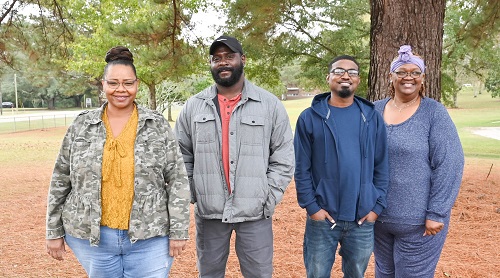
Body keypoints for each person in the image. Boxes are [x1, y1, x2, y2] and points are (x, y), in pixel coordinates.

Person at [45, 46, 191, 277]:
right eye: (113, 83)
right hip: (93, 239)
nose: (120, 89)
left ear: (137, 85)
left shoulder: (157, 125)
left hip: (150, 236)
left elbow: (177, 179)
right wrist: (53, 231)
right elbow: (61, 177)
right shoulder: (82, 125)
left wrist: (179, 230)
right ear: (103, 85)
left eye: (127, 83)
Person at [175, 35, 294, 278]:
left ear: (243, 59)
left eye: (229, 56)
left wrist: (267, 197)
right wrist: (195, 192)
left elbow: (283, 157)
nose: (223, 62)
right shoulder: (193, 106)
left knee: (259, 274)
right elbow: (180, 155)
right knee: (209, 274)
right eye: (216, 58)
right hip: (210, 212)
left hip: (255, 212)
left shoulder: (269, 105)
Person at [372, 45, 464, 278]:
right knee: (384, 274)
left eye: (415, 72)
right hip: (377, 220)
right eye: (402, 72)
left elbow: (449, 164)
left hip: (419, 223)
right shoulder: (374, 111)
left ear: (423, 79)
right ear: (390, 77)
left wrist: (437, 212)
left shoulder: (434, 113)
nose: (408, 77)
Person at [294, 55, 389, 278]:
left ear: (358, 80)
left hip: (362, 219)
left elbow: (382, 166)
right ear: (328, 78)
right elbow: (301, 168)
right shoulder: (310, 118)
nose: (345, 75)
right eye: (339, 71)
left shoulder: (372, 118)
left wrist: (376, 208)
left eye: (352, 72)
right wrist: (312, 208)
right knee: (317, 274)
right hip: (323, 219)